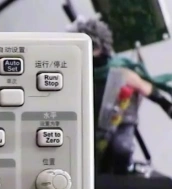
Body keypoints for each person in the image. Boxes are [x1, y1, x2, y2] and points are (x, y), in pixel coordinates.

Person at [73, 17, 172, 173]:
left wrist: (167, 106)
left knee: (122, 149)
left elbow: (146, 88)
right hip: (92, 126)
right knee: (93, 158)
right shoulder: (80, 75)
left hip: (121, 122)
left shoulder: (121, 72)